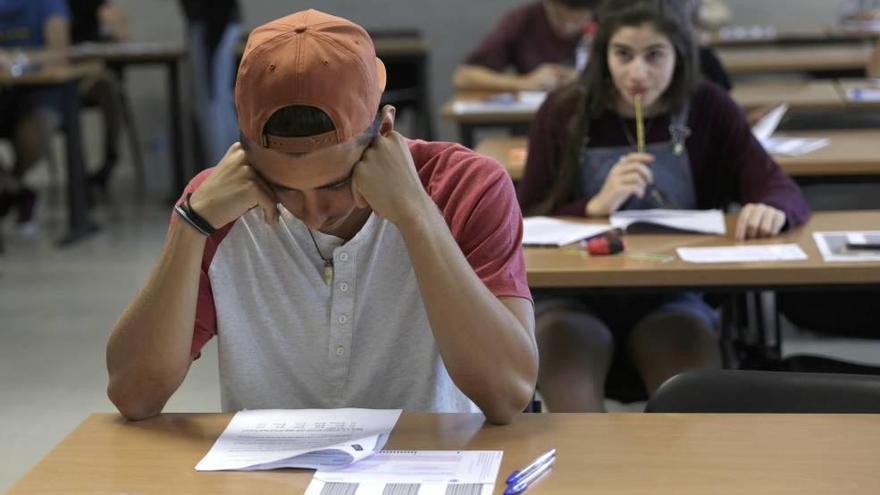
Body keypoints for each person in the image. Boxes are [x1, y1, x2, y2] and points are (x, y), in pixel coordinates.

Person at [105, 9, 538, 424]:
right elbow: (134, 395)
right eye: (283, 189)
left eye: (335, 185)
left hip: (431, 469)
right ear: (241, 155)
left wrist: (416, 214)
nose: (312, 213)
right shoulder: (215, 206)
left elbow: (507, 395)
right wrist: (191, 225)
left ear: (384, 131)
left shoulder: (465, 187)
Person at [517, 0, 810, 412]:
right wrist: (594, 205)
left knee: (692, 412)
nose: (637, 72)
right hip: (572, 298)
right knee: (575, 422)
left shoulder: (710, 107)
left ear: (680, 55)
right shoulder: (563, 111)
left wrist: (773, 207)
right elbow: (525, 218)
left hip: (673, 296)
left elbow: (779, 187)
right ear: (603, 54)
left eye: (654, 55)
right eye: (623, 54)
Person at [0, 0, 70, 229]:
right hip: (4, 90)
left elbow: (59, 52)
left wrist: (19, 59)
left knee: (38, 129)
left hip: (40, 91)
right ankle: (16, 190)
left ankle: (12, 186)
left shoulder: (47, 4)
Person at [453, 0, 601, 92]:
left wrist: (586, 79)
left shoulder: (606, 20)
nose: (567, 27)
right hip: (529, 124)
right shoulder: (522, 20)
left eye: (578, 20)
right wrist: (523, 83)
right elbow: (464, 76)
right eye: (560, 18)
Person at [67, 0, 130, 193]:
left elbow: (119, 24)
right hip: (56, 72)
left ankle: (109, 159)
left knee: (107, 85)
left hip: (88, 69)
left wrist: (114, 39)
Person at [179, 0, 242, 166]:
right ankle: (228, 167)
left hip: (213, 26)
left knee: (213, 104)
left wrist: (211, 40)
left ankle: (225, 168)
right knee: (215, 103)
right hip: (212, 25)